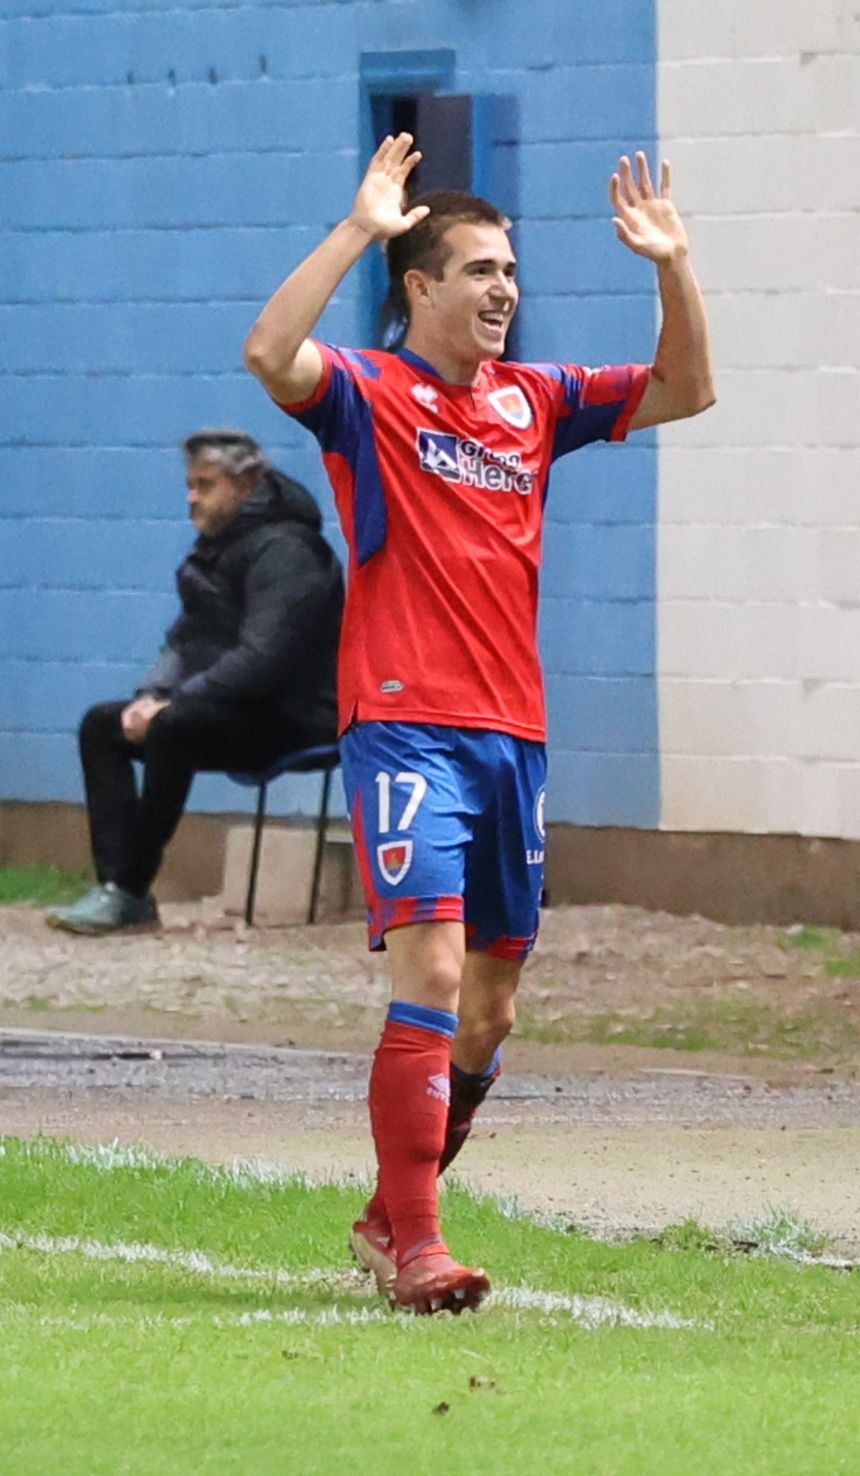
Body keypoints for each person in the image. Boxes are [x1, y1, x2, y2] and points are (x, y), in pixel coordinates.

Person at [242, 133, 715, 1314]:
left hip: (514, 736)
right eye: (480, 271)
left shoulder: (534, 399)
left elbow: (689, 389)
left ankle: (382, 1219)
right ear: (421, 287)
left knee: (494, 1009)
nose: (506, 291)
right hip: (404, 728)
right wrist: (360, 222)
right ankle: (421, 1249)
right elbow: (268, 351)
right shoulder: (366, 393)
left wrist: (673, 265)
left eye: (513, 272)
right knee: (436, 969)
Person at [47, 431, 342, 937]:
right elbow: (184, 640)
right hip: (230, 709)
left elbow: (263, 659)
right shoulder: (218, 548)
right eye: (190, 484)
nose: (191, 497)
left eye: (205, 485)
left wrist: (174, 703)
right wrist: (147, 698)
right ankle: (118, 890)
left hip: (301, 715)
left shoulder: (290, 552)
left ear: (247, 483)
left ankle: (129, 889)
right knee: (103, 725)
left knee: (178, 724)